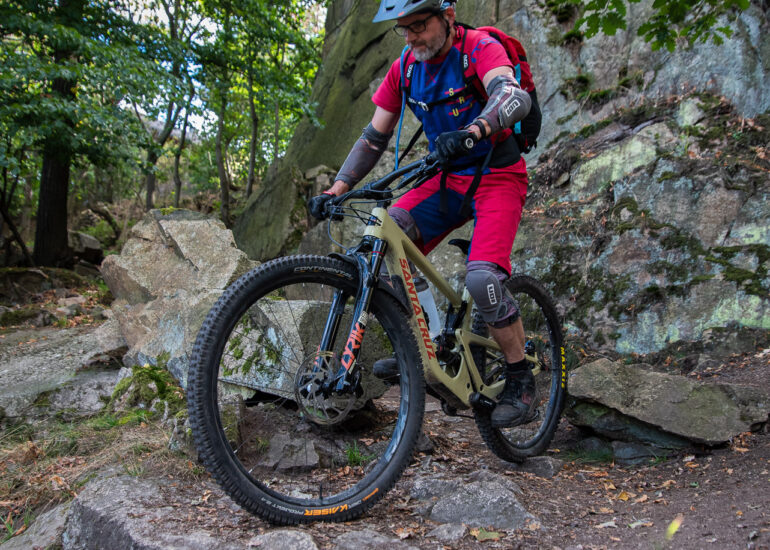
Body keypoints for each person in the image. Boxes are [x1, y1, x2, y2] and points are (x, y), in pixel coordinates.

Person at [308, 0, 535, 428]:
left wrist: (475, 130)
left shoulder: (478, 48)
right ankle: (425, 344)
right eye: (404, 28)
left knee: (482, 279)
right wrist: (338, 188)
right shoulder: (406, 68)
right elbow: (373, 137)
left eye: (420, 25)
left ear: (447, 17)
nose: (412, 36)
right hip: (445, 180)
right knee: (385, 241)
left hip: (497, 175)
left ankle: (520, 376)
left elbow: (512, 95)